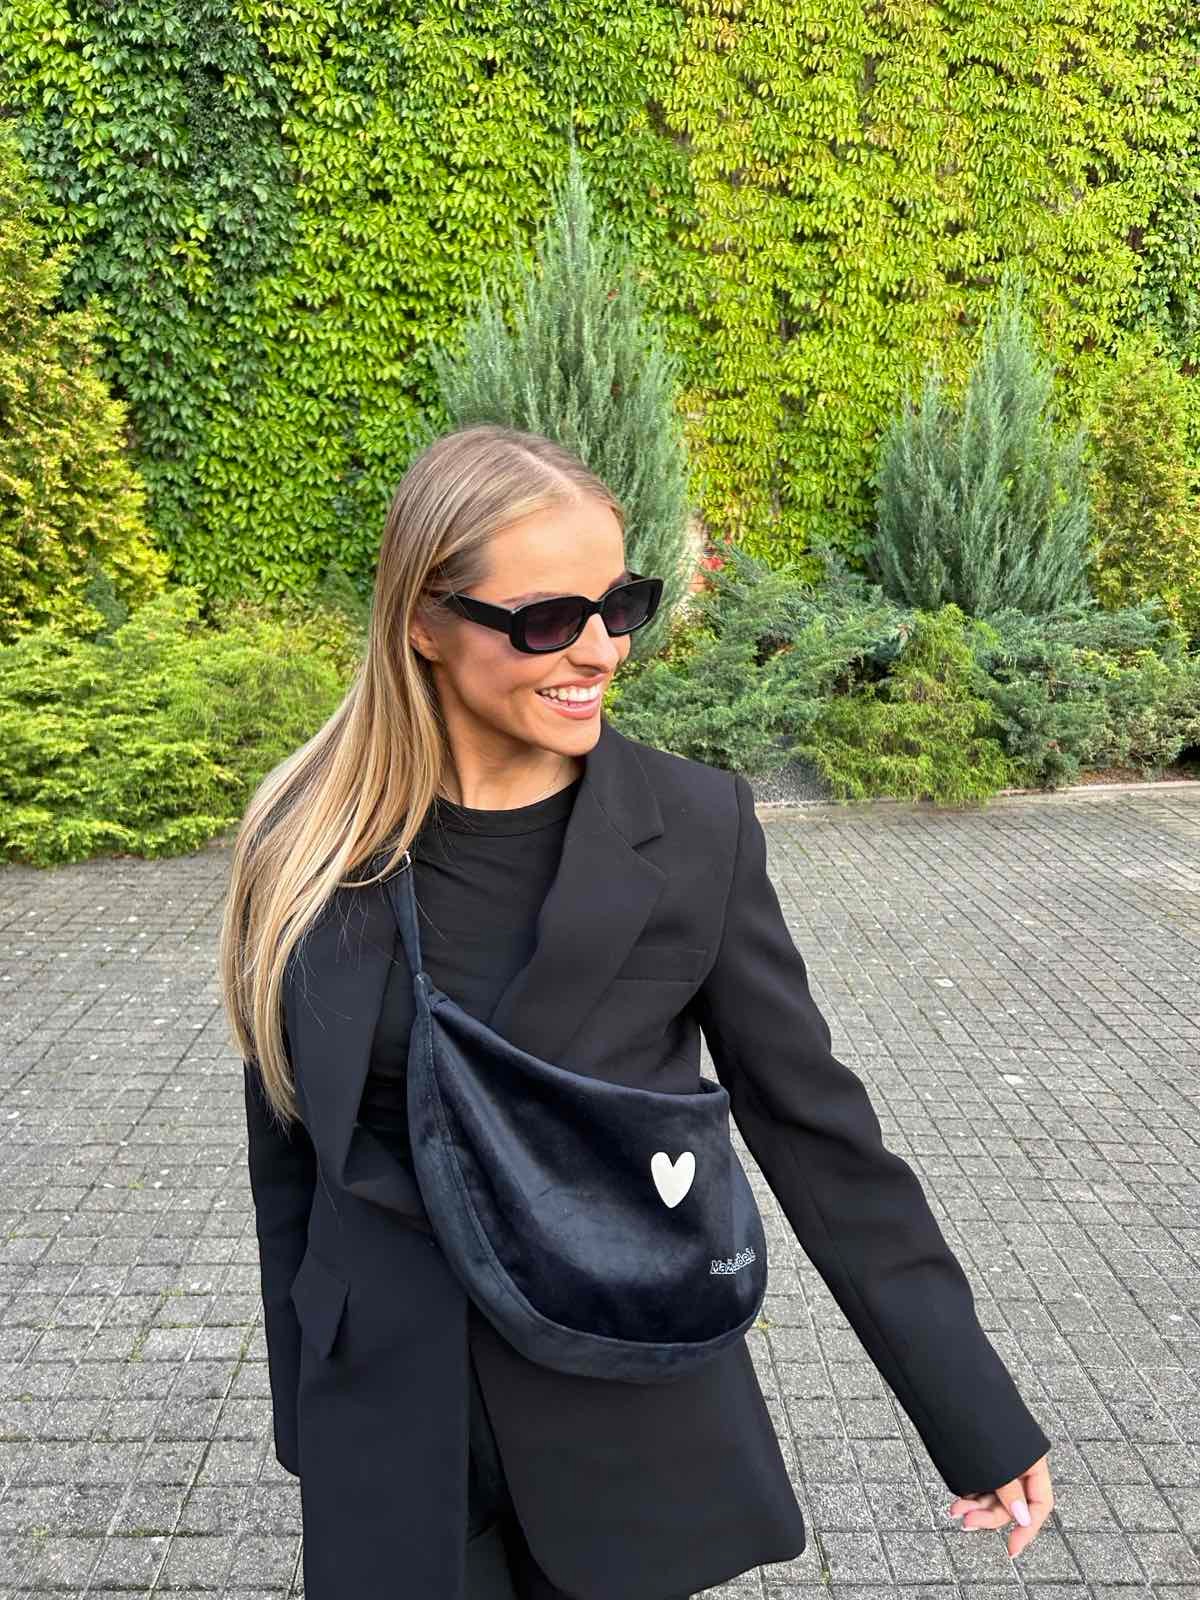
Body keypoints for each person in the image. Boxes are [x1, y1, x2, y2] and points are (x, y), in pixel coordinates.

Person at [222, 423, 1054, 1600]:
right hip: (391, 1422)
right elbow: (290, 1149)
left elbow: (815, 1130)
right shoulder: (306, 841)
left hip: (621, 1414)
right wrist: (306, 1398)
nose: (601, 649)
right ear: (424, 621)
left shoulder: (696, 831)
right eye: (548, 619)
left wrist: (970, 1407)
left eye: (620, 604)